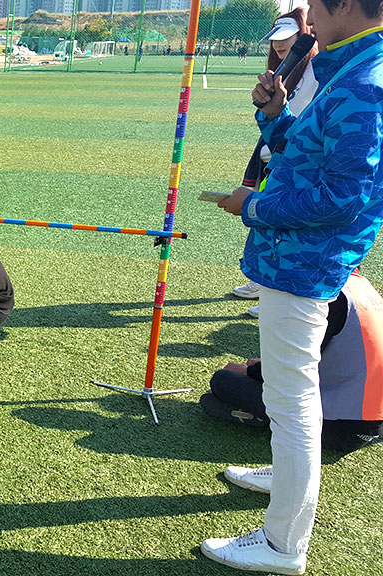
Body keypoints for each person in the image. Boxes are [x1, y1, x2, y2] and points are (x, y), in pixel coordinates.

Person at [206, 0, 383, 573]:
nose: (307, 25)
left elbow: (343, 198)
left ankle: (283, 545)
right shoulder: (352, 70)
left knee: (292, 402)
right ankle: (285, 479)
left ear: (347, 5)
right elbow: (308, 155)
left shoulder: (366, 83)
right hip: (299, 258)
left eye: (317, 9)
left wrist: (251, 206)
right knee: (290, 396)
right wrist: (275, 114)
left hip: (304, 263)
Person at [203, 269, 383, 457]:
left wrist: (249, 371)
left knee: (222, 380)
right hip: (368, 422)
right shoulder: (364, 289)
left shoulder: (328, 295)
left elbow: (291, 365)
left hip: (334, 426)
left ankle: (265, 419)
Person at [231, 8, 319, 319]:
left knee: (281, 219)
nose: (279, 44)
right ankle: (264, 283)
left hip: (299, 159)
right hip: (279, 152)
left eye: (287, 38)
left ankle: (276, 292)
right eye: (275, 39)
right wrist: (272, 113)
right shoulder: (287, 70)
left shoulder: (319, 70)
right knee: (269, 217)